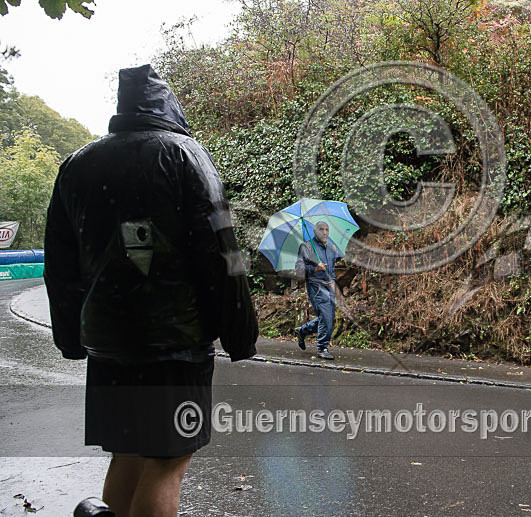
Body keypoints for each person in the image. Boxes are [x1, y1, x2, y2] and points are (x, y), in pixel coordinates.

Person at [44, 64, 258, 517]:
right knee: (166, 461)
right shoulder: (184, 154)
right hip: (174, 344)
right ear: (168, 105)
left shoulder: (77, 164)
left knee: (126, 454)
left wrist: (71, 338)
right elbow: (223, 252)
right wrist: (240, 332)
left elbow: (59, 265)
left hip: (107, 343)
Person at [294, 221, 340, 360]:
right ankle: (322, 348)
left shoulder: (331, 248)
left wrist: (333, 281)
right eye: (321, 229)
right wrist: (315, 268)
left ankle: (302, 331)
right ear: (314, 231)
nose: (325, 232)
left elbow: (331, 269)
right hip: (316, 287)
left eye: (327, 229)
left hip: (329, 286)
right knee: (326, 316)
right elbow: (299, 270)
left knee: (328, 318)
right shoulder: (306, 247)